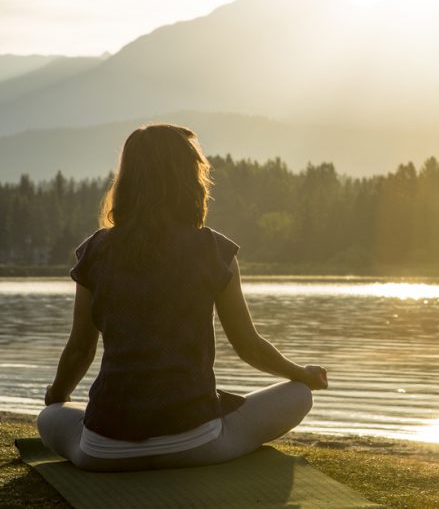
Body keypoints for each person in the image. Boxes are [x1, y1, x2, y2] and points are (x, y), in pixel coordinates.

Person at [36, 124, 328, 471]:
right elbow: (248, 345)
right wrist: (302, 374)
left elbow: (79, 349)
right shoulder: (214, 250)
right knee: (299, 395)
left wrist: (57, 395)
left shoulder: (96, 251)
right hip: (197, 442)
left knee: (50, 416)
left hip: (104, 451)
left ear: (127, 179)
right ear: (190, 177)